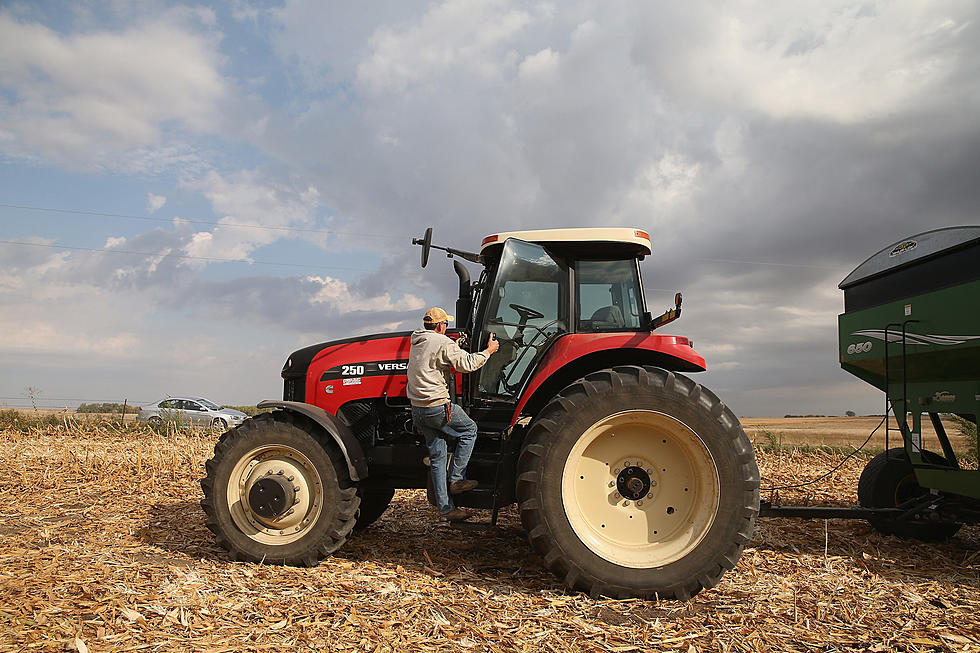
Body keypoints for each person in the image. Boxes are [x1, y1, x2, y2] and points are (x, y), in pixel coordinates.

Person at [408, 306, 499, 521]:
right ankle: (457, 478)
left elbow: (435, 358)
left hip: (418, 409)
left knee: (438, 458)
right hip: (438, 407)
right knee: (469, 430)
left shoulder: (417, 341)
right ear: (440, 326)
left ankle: (447, 509)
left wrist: (453, 346)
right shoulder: (442, 342)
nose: (446, 327)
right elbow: (467, 364)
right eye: (445, 324)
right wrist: (489, 351)